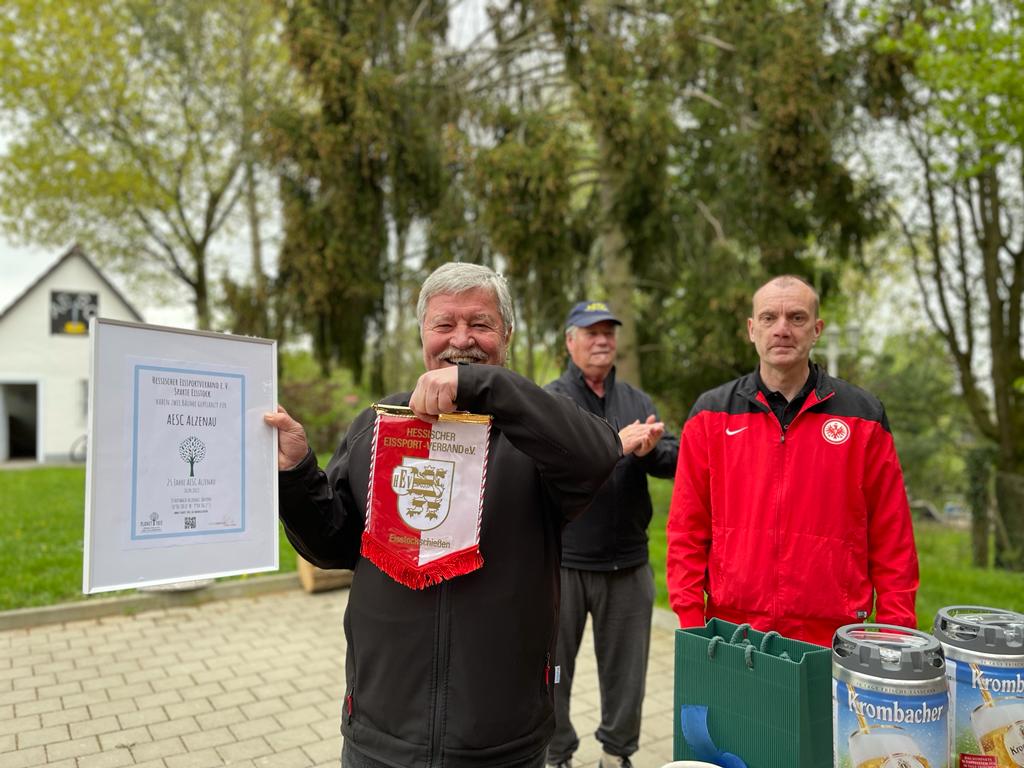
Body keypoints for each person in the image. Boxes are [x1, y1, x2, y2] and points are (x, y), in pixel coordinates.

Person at [266, 263, 659, 768]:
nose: (461, 340)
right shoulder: (379, 426)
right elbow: (333, 545)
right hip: (382, 733)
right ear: (422, 334)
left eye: (480, 324)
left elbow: (596, 453)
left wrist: (479, 384)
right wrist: (297, 472)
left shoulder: (538, 436)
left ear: (507, 335)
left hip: (502, 741)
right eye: (444, 324)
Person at [666, 275, 918, 647]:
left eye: (797, 318)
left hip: (833, 636)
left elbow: (892, 535)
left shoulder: (863, 416)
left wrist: (895, 633)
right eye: (769, 318)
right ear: (752, 330)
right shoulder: (710, 415)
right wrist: (692, 625)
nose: (782, 329)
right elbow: (687, 529)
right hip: (733, 633)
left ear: (817, 330)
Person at [544, 301, 679, 768]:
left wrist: (650, 450)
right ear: (570, 341)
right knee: (551, 671)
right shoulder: (552, 400)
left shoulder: (636, 401)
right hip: (564, 562)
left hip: (627, 564)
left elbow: (673, 460)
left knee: (627, 674)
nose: (602, 340)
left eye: (608, 332)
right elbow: (547, 465)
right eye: (591, 332)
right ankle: (556, 752)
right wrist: (613, 446)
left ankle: (616, 753)